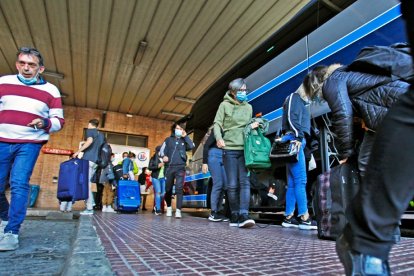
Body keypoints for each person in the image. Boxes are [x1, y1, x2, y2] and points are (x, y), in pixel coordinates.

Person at [335, 1, 414, 275]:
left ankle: (367, 238)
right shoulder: (363, 76)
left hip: (387, 119)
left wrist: (344, 150)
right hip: (383, 122)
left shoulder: (335, 79)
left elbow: (342, 114)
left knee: (371, 167)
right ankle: (372, 238)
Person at [303, 49, 411, 177]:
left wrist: (346, 153)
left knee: (369, 161)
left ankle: (386, 192)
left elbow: (342, 115)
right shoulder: (343, 74)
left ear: (315, 86)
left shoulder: (331, 82)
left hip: (391, 106)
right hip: (392, 103)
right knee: (366, 159)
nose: (316, 99)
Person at [0, 47, 65, 251]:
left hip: (30, 143)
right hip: (2, 140)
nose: (26, 68)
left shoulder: (51, 91)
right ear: (17, 63)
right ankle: (4, 218)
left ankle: (12, 232)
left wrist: (44, 123)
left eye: (32, 65)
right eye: (22, 63)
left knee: (19, 183)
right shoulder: (3, 82)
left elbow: (59, 121)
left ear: (41, 68)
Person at [213, 78, 258, 228]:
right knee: (232, 185)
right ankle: (235, 214)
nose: (244, 93)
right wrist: (219, 138)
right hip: (230, 149)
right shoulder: (224, 105)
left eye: (245, 90)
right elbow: (217, 124)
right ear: (233, 92)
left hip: (245, 149)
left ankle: (244, 214)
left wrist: (254, 125)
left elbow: (247, 126)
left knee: (245, 182)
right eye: (241, 90)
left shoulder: (249, 107)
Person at [279, 84, 316, 230]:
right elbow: (291, 117)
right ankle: (304, 218)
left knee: (293, 182)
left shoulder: (300, 101)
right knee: (301, 180)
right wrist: (299, 137)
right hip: (295, 140)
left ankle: (288, 217)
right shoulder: (294, 97)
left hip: (295, 140)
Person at [160, 122, 195, 218]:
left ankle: (178, 210)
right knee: (168, 189)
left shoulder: (185, 141)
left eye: (181, 129)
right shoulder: (168, 140)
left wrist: (186, 136)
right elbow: (161, 151)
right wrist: (164, 156)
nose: (179, 130)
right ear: (174, 129)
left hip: (180, 167)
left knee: (179, 188)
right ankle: (170, 208)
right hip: (169, 168)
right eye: (177, 128)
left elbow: (192, 146)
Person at [72, 119, 105, 215]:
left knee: (86, 184)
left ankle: (90, 207)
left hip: (88, 159)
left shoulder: (90, 131)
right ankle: (91, 203)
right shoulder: (101, 135)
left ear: (90, 124)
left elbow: (89, 141)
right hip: (96, 161)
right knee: (88, 183)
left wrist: (78, 151)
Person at [201, 127, 228, 222]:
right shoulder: (217, 130)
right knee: (218, 184)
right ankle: (213, 212)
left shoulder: (229, 130)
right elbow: (206, 145)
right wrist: (204, 162)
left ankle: (219, 210)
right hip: (214, 156)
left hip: (223, 157)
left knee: (225, 185)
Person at [148, 146, 165, 215]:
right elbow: (150, 167)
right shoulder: (153, 158)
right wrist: (158, 166)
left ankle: (156, 206)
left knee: (163, 193)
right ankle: (158, 209)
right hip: (155, 177)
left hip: (164, 178)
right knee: (158, 192)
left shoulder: (165, 158)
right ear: (158, 151)